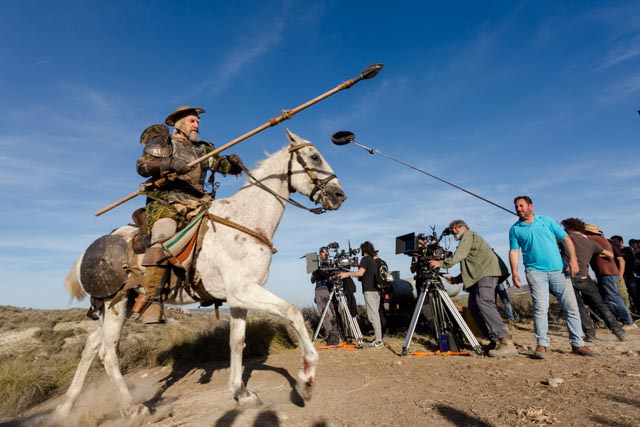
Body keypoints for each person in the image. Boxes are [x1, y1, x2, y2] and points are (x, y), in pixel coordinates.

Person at [132, 106, 243, 323]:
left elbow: (219, 164)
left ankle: (213, 285)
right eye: (192, 121)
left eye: (198, 121)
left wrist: (234, 165)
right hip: (167, 201)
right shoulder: (165, 144)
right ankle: (151, 299)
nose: (197, 124)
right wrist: (169, 163)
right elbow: (143, 167)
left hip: (199, 203)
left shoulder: (203, 149)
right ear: (179, 123)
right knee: (163, 236)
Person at [508, 196, 596, 359]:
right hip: (535, 272)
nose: (518, 209)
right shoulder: (515, 229)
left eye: (521, 205)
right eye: (516, 206)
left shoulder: (546, 221)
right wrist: (514, 272)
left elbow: (566, 239)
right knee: (540, 308)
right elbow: (514, 251)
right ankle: (542, 345)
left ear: (531, 206)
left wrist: (573, 260)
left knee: (571, 306)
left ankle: (578, 344)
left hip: (559, 271)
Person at [429, 220, 517, 357]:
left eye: (456, 228)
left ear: (463, 227)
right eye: (453, 229)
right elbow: (472, 263)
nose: (454, 231)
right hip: (480, 275)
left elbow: (459, 255)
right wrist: (457, 279)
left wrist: (441, 263)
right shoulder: (468, 240)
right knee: (474, 307)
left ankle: (505, 341)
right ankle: (494, 340)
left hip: (486, 274)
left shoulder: (468, 235)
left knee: (484, 302)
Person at [559, 218, 626, 342]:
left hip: (569, 277)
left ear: (570, 228)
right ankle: (618, 331)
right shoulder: (590, 242)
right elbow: (610, 254)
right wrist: (599, 254)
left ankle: (590, 334)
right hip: (585, 276)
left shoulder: (566, 239)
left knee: (579, 307)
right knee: (599, 304)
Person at [584, 224, 635, 329]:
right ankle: (619, 319)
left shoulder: (593, 238)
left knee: (614, 298)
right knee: (607, 299)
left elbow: (580, 239)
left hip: (607, 273)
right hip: (605, 273)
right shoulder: (601, 239)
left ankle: (628, 321)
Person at [338, 241, 384, 348]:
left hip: (369, 290)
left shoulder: (365, 259)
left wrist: (346, 274)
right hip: (376, 290)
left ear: (364, 250)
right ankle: (378, 338)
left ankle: (378, 341)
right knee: (375, 314)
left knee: (373, 316)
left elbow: (360, 273)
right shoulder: (373, 260)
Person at [310, 247, 339, 344]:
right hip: (319, 290)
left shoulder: (331, 263)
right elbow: (312, 280)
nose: (325, 254)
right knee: (323, 313)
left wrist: (326, 274)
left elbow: (333, 277)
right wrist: (316, 273)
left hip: (329, 290)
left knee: (335, 311)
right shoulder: (316, 263)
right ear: (320, 253)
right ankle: (329, 333)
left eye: (327, 253)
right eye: (323, 252)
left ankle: (340, 331)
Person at [610, 235, 640, 315]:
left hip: (629, 275)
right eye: (612, 242)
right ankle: (632, 311)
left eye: (615, 242)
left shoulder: (627, 250)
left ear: (621, 241)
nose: (614, 243)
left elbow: (631, 263)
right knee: (626, 294)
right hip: (620, 276)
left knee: (635, 293)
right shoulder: (615, 252)